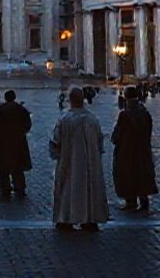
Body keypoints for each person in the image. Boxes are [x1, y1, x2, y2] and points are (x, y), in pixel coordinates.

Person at [49, 87, 109, 232]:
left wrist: (58, 155)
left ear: (70, 100)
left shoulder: (65, 119)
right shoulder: (92, 119)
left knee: (68, 189)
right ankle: (90, 219)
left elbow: (55, 141)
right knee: (89, 189)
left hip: (68, 161)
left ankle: (66, 218)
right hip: (90, 163)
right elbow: (100, 141)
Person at [112, 86, 157, 212]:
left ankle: (130, 202)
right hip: (143, 150)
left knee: (128, 175)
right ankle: (144, 202)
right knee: (142, 174)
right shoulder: (145, 113)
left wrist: (114, 139)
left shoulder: (125, 115)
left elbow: (118, 134)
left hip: (127, 152)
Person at [0, 90, 32, 197]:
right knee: (18, 166)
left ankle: (5, 189)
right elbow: (28, 124)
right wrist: (21, 133)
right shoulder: (21, 109)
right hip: (18, 141)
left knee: (2, 167)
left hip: (2, 142)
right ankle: (20, 188)